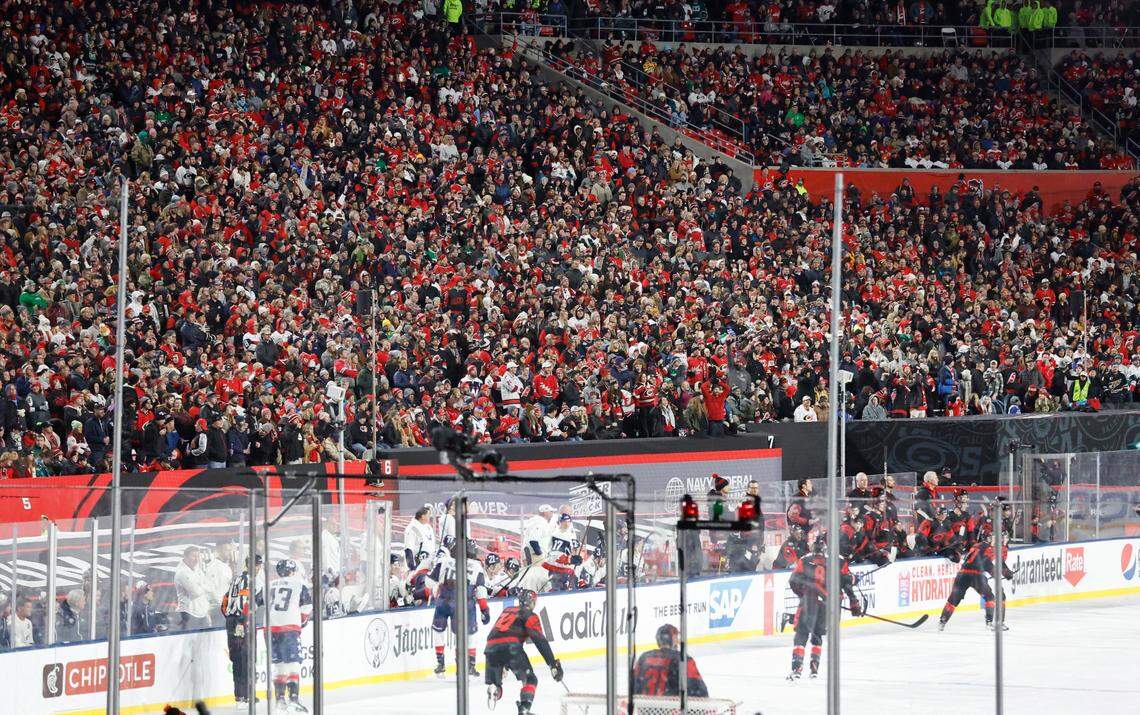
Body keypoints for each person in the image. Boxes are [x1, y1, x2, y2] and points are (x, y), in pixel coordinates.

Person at [787, 536, 862, 680]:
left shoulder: (804, 560)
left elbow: (793, 580)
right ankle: (814, 669)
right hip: (829, 606)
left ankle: (797, 669)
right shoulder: (838, 560)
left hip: (810, 602)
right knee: (817, 635)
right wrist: (853, 600)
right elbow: (846, 582)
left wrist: (803, 593)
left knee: (801, 634)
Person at [484, 589, 563, 714]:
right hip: (511, 647)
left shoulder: (507, 610)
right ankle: (525, 709)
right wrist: (552, 663)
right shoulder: (530, 615)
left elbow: (500, 635)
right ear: (531, 602)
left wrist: (504, 663)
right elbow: (540, 640)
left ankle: (495, 688)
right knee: (530, 679)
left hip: (490, 647)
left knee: (497, 684)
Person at [938, 506, 1014, 632]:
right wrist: (1002, 574)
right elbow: (987, 563)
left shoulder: (977, 545)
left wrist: (1004, 572)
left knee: (953, 600)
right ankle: (990, 623)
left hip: (962, 574)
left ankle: (942, 622)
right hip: (976, 576)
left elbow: (983, 561)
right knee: (990, 598)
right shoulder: (991, 548)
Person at [430, 539, 490, 677]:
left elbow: (431, 581)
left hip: (443, 601)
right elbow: (480, 590)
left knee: (438, 630)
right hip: (463, 603)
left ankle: (440, 662)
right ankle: (469, 665)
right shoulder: (476, 566)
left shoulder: (445, 560)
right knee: (467, 634)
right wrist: (484, 609)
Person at [269, 559, 312, 711]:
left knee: (279, 664)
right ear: (293, 571)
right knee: (293, 664)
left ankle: (280, 700)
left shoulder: (271, 584)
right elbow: (307, 606)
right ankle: (293, 699)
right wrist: (302, 620)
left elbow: (257, 602)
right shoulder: (299, 583)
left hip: (272, 627)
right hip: (290, 627)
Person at [221, 555, 264, 706]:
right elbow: (245, 605)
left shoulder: (236, 579)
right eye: (256, 564)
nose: (258, 568)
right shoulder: (250, 581)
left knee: (238, 658)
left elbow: (224, 602)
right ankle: (247, 696)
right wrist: (242, 623)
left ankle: (240, 696)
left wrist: (230, 618)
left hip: (232, 622)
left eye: (259, 565)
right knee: (246, 657)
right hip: (242, 623)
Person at [633, 623, 708, 697]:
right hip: (671, 707)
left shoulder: (644, 657)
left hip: (644, 706)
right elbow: (699, 691)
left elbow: (634, 685)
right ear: (672, 639)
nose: (677, 641)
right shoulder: (682, 658)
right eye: (676, 637)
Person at [175, 546, 211, 630]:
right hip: (189, 613)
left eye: (198, 556)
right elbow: (196, 592)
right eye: (194, 556)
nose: (197, 559)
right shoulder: (182, 572)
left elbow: (209, 586)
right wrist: (203, 585)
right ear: (185, 556)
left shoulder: (197, 569)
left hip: (202, 612)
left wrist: (200, 585)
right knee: (190, 642)